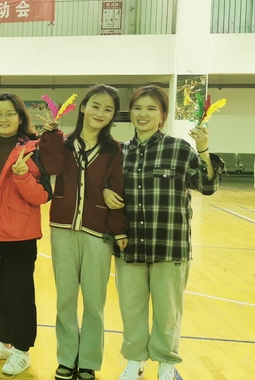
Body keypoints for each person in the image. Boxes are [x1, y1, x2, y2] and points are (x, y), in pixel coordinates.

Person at [104, 86, 223, 380]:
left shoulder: (179, 149)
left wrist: (204, 150)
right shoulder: (119, 152)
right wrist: (105, 191)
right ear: (130, 113)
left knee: (168, 311)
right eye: (137, 108)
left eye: (151, 109)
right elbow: (105, 189)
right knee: (131, 309)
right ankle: (134, 361)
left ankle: (166, 362)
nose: (143, 114)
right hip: (129, 245)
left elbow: (207, 186)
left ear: (163, 116)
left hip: (169, 246)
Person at [38, 85, 129, 380]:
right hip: (62, 229)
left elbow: (117, 190)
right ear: (82, 108)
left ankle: (88, 360)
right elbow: (51, 166)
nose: (100, 113)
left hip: (97, 232)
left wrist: (118, 230)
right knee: (65, 298)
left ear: (113, 115)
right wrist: (51, 135)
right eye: (96, 106)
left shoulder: (114, 150)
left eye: (108, 109)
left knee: (94, 301)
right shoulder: (62, 143)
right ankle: (66, 357)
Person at [0, 93, 52, 376]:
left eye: (9, 114)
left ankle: (21, 350)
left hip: (20, 236)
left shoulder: (34, 148)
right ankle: (4, 341)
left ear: (20, 117)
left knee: (19, 295)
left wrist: (22, 175)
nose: (3, 119)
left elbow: (42, 196)